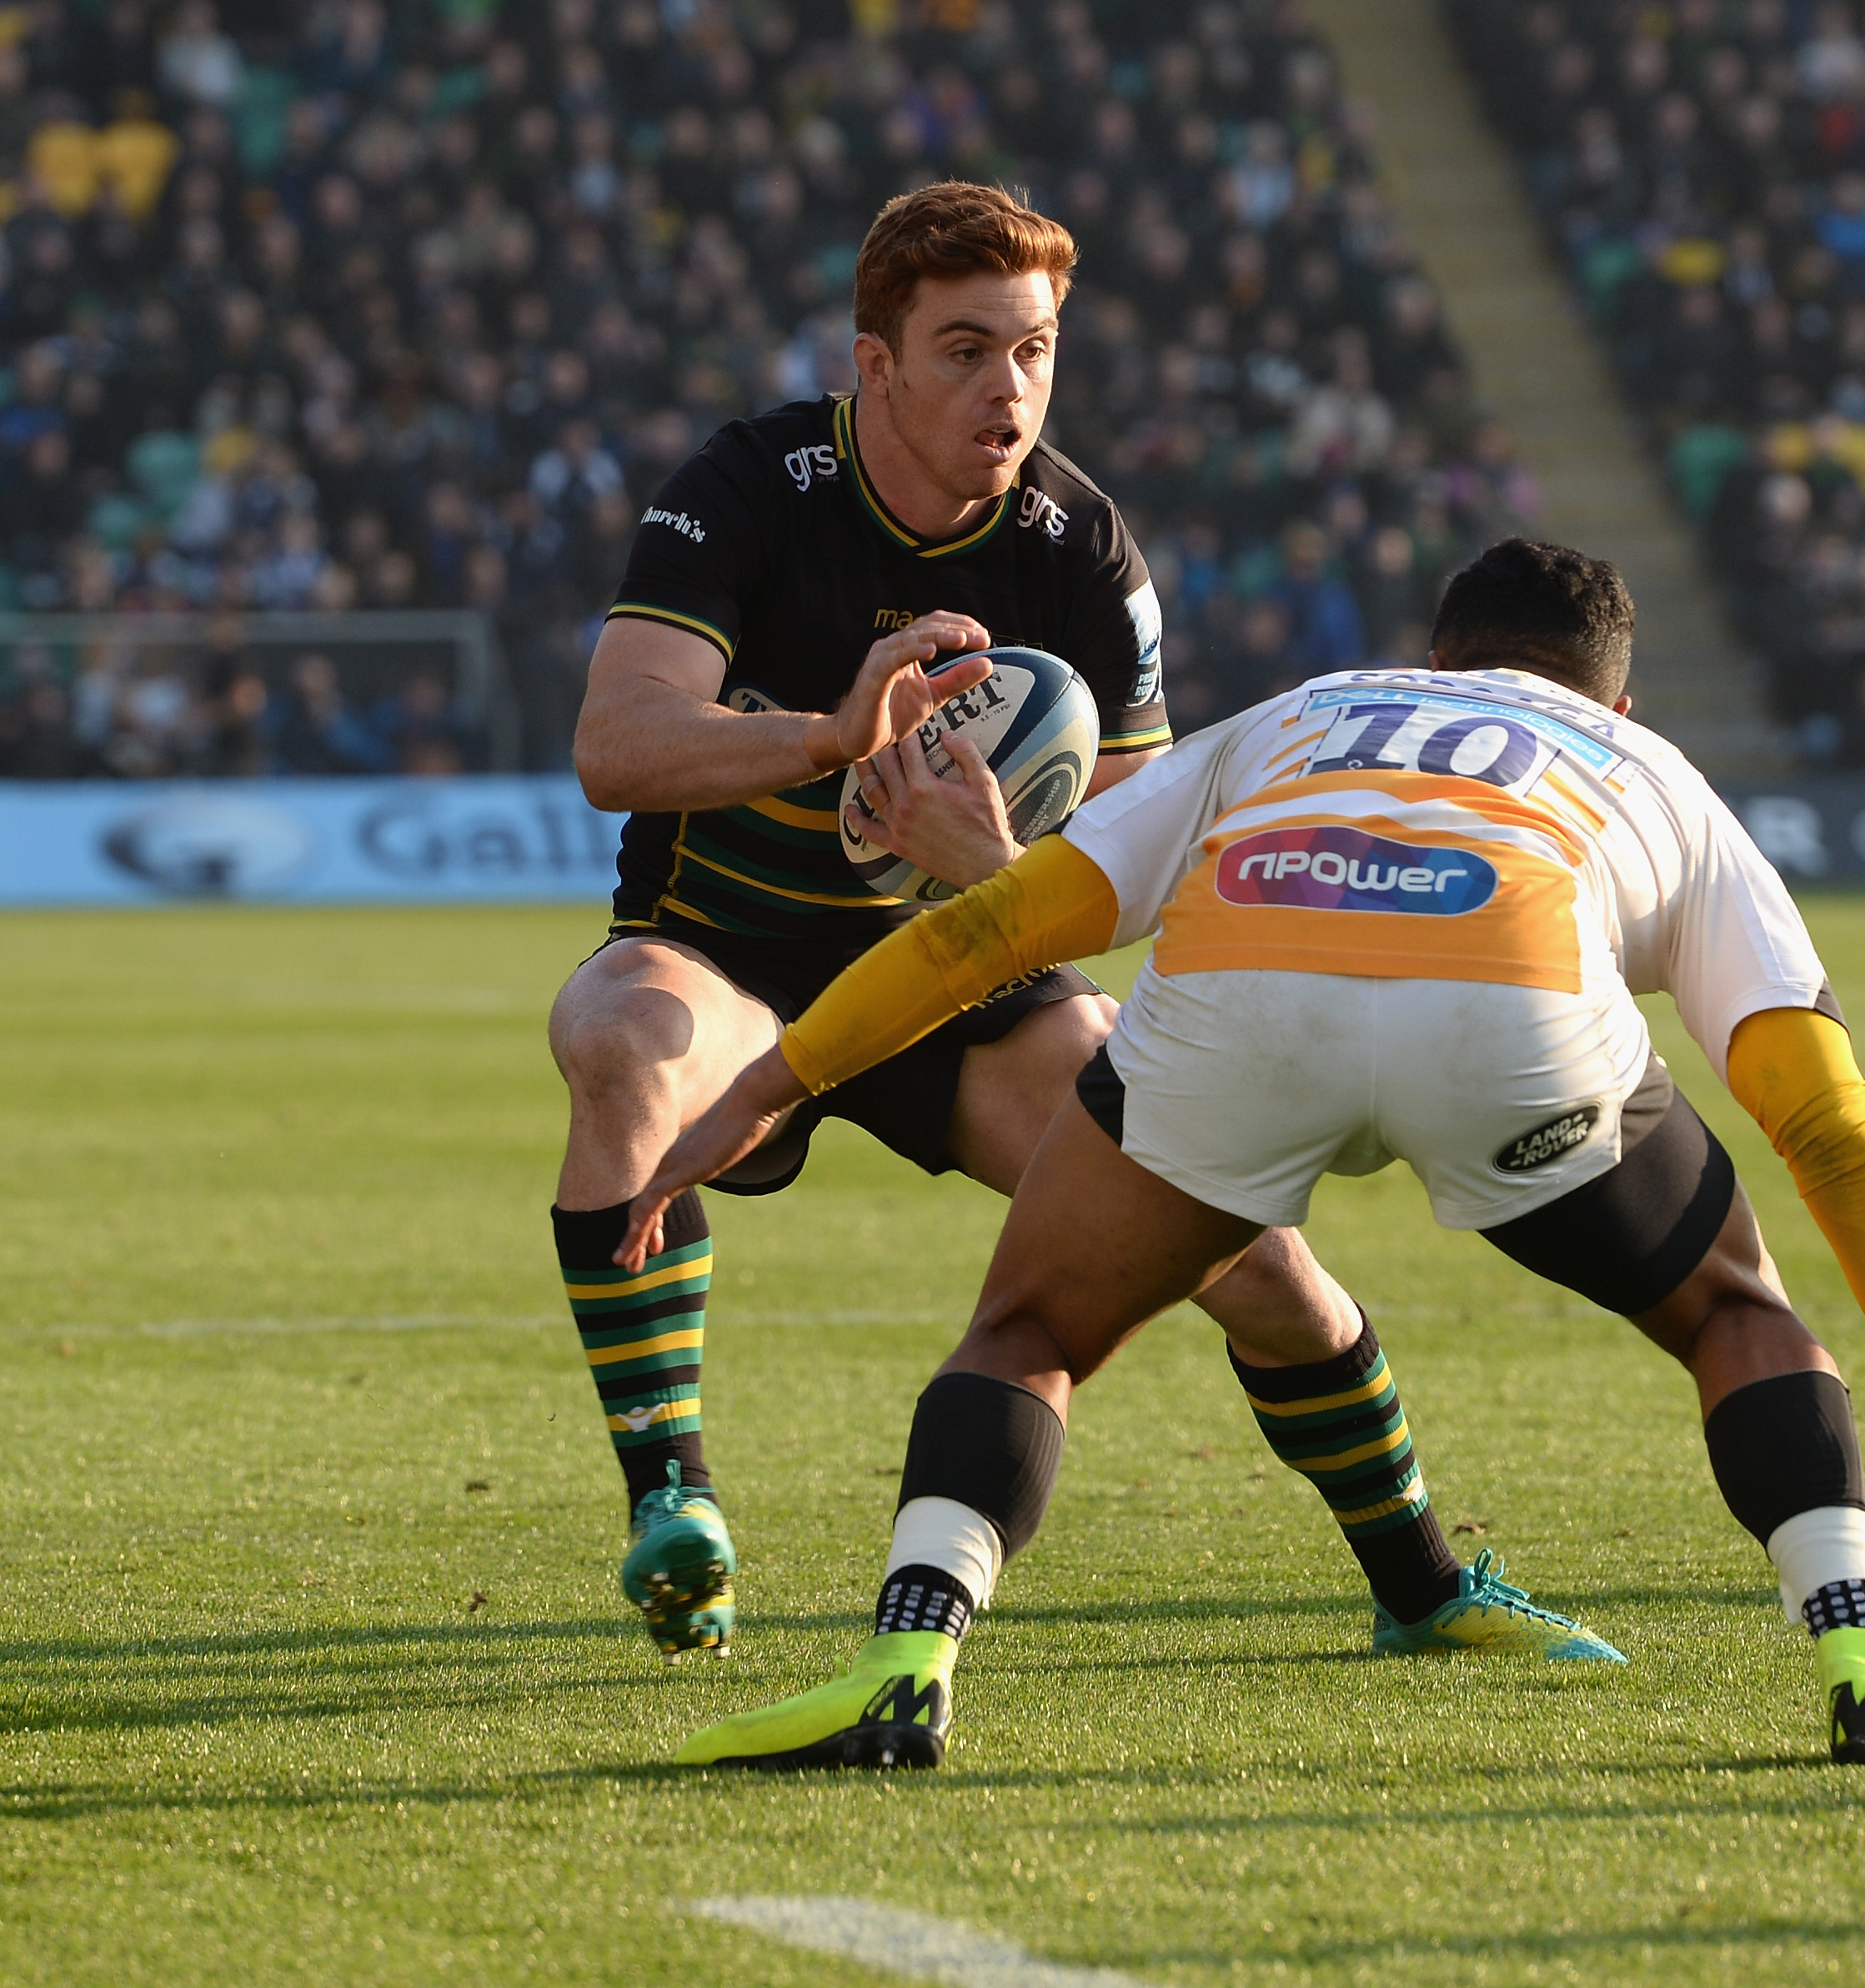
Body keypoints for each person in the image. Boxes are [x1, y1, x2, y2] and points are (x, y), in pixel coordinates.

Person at [620, 539, 1865, 1771]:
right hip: (1510, 1014)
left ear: (1433, 661)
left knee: (1030, 1334)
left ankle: (904, 1668)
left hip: (1246, 993)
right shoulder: (1653, 770)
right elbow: (1824, 1116)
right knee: (1736, 1313)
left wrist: (775, 1081)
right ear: (1615, 700)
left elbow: (995, 929)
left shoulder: (1303, 711)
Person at [548, 184, 1598, 1669]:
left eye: (1034, 350)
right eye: (966, 349)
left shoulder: (1083, 547)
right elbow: (616, 744)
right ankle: (676, 1506)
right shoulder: (747, 486)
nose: (1010, 387)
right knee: (623, 1034)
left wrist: (991, 865)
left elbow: (1150, 862)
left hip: (971, 979)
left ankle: (1423, 1586)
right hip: (733, 952)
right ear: (875, 365)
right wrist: (833, 736)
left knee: (1247, 1248)